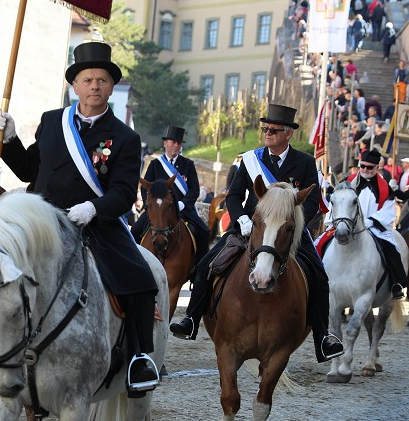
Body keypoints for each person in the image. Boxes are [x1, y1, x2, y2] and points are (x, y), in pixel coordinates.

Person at [0, 40, 160, 392]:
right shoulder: (54, 122)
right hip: (44, 219)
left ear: (111, 87)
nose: (94, 86)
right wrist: (9, 140)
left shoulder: (126, 138)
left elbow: (125, 192)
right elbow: (29, 170)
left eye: (101, 80)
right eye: (87, 80)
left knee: (140, 279)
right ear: (75, 85)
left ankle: (140, 359)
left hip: (95, 223)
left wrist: (94, 208)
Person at [170, 103, 344, 363]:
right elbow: (235, 195)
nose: (268, 133)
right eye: (265, 129)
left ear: (288, 134)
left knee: (319, 276)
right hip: (251, 227)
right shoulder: (251, 160)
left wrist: (294, 225)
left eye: (274, 130)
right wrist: (241, 219)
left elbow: (312, 201)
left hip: (288, 232)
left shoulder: (305, 163)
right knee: (208, 264)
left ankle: (322, 337)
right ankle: (191, 319)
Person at [131, 125, 210, 264]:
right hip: (157, 210)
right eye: (173, 142)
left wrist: (183, 203)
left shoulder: (188, 165)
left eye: (179, 143)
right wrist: (149, 204)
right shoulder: (155, 164)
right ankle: (133, 264)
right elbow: (145, 187)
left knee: (204, 232)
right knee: (135, 230)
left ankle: (199, 272)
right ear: (165, 143)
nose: (176, 146)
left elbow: (194, 190)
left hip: (183, 210)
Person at [340, 148, 407, 299]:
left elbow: (388, 212)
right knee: (320, 242)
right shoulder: (347, 182)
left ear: (377, 168)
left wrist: (367, 222)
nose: (365, 170)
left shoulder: (385, 188)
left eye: (370, 167)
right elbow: (338, 201)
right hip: (346, 224)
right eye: (362, 166)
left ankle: (396, 283)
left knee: (391, 248)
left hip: (373, 227)